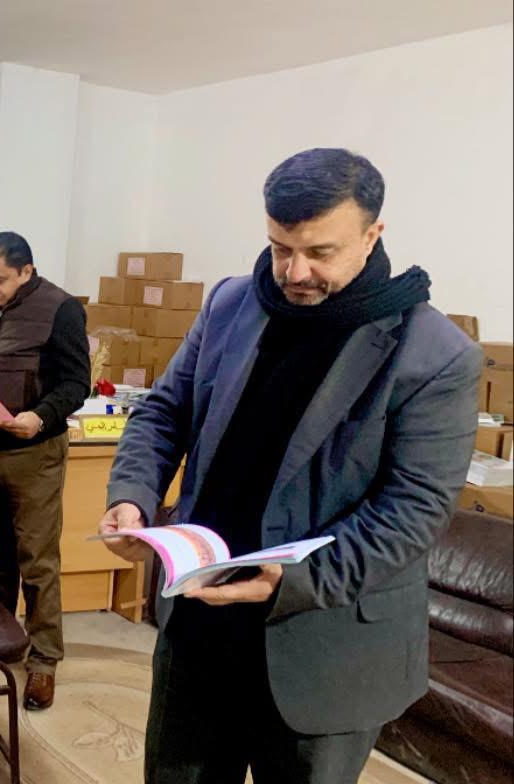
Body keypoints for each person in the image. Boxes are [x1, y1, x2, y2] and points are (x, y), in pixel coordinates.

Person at [99, 148, 481, 783]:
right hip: (200, 627)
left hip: (326, 647)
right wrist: (132, 497)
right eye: (280, 248)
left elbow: (413, 512)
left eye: (320, 252)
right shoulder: (231, 304)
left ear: (372, 234)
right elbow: (164, 411)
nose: (295, 272)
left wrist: (292, 579)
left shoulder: (434, 355)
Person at [0, 231, 90, 710]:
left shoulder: (60, 309)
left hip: (35, 452)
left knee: (37, 561)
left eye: (0, 279)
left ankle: (44, 660)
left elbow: (76, 383)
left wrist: (40, 417)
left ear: (27, 271)